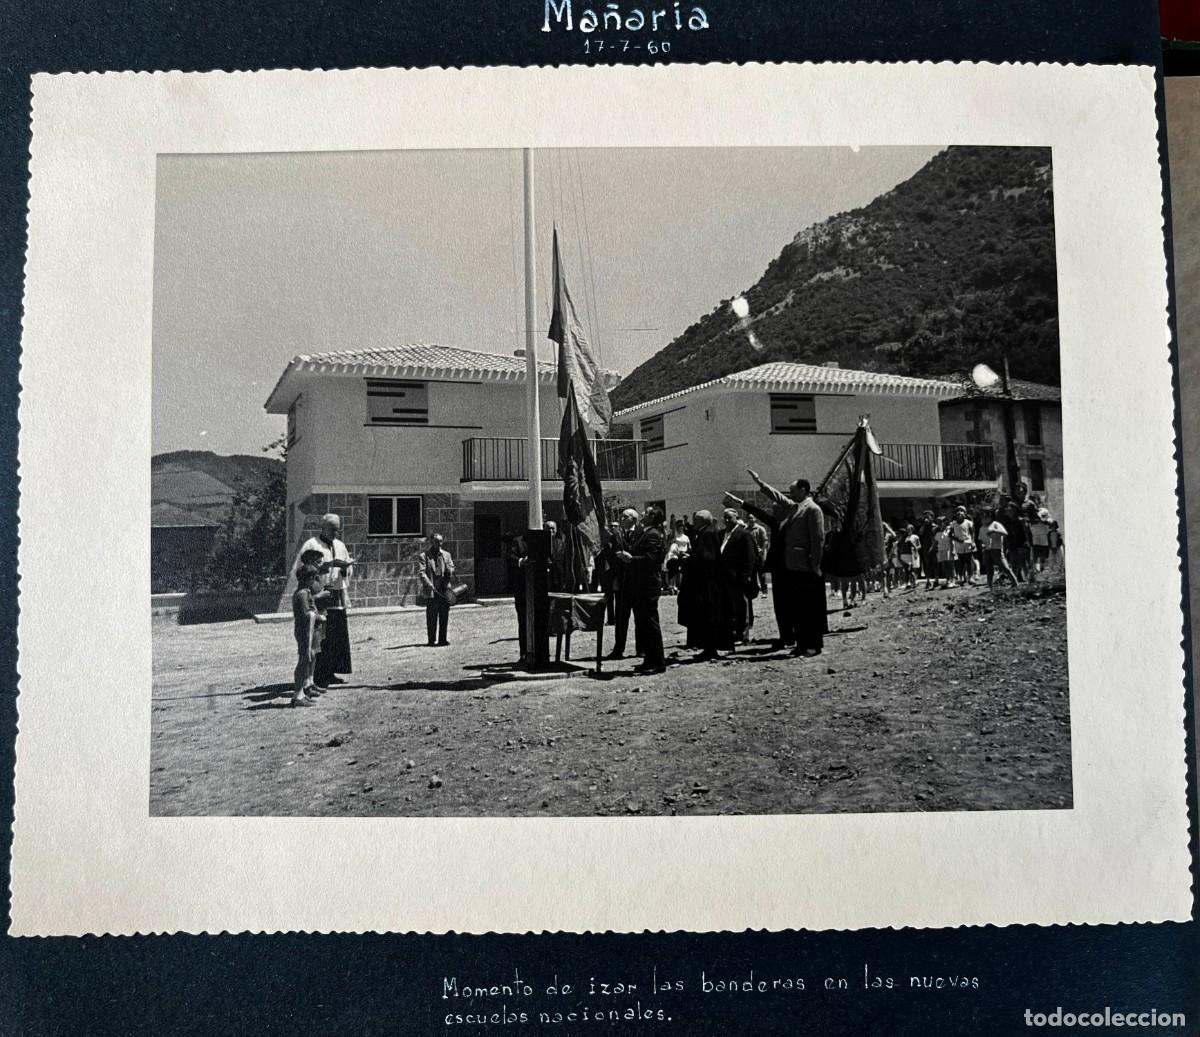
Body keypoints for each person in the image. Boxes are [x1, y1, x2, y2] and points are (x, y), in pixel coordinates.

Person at [746, 470, 826, 657]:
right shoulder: (796, 507)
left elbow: (818, 540)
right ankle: (802, 643)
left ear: (804, 490)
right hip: (793, 566)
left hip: (806, 566)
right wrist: (760, 483)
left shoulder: (812, 509)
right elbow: (779, 497)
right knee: (798, 608)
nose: (790, 495)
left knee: (808, 609)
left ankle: (813, 645)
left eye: (793, 491)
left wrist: (815, 565)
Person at [294, 514, 355, 688]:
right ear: (323, 528)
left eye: (337, 529)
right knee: (321, 637)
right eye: (332, 529)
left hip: (336, 593)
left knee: (336, 635)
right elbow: (304, 570)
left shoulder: (340, 545)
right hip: (319, 593)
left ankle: (332, 671)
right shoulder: (311, 545)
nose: (335, 533)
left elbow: (347, 570)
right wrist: (324, 568)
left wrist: (345, 569)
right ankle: (318, 676)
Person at [728, 490, 790, 648]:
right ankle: (786, 636)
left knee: (791, 604)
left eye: (776, 510)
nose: (772, 512)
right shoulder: (776, 523)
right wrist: (741, 502)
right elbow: (759, 513)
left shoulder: (792, 523)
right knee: (780, 605)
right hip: (778, 568)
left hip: (790, 566)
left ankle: (792, 636)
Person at [617, 505, 668, 674]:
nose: (642, 514)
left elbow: (651, 559)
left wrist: (632, 559)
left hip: (648, 586)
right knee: (644, 623)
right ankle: (649, 659)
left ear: (652, 517)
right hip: (639, 586)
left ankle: (658, 661)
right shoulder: (645, 532)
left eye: (646, 513)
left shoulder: (652, 534)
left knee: (650, 623)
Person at [677, 510, 731, 660]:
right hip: (706, 580)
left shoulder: (707, 533)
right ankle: (707, 647)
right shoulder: (705, 532)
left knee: (708, 615)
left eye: (696, 519)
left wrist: (691, 558)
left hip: (707, 582)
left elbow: (707, 556)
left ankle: (710, 648)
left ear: (702, 521)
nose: (694, 521)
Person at [606, 509, 641, 660]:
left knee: (640, 617)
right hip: (621, 582)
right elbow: (611, 557)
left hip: (638, 581)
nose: (622, 518)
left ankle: (642, 649)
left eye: (625, 516)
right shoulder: (616, 535)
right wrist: (614, 578)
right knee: (621, 618)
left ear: (633, 519)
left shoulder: (641, 533)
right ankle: (618, 648)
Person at [719, 508, 758, 644]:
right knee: (730, 607)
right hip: (725, 577)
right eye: (725, 518)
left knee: (741, 605)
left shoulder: (743, 534)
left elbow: (750, 556)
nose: (727, 520)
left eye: (730, 517)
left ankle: (743, 634)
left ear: (736, 518)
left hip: (739, 577)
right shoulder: (722, 534)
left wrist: (747, 574)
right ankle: (732, 632)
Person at [290, 565, 323, 707]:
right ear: (307, 578)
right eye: (313, 578)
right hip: (305, 632)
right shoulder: (302, 594)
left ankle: (302, 692)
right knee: (304, 660)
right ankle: (297, 696)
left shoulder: (305, 592)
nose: (314, 581)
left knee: (309, 658)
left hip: (310, 630)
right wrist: (317, 616)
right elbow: (306, 615)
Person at [419, 533, 456, 647]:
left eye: (441, 541)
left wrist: (450, 570)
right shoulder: (424, 556)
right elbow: (422, 572)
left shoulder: (446, 555)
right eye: (437, 541)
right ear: (431, 542)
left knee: (444, 615)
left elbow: (452, 567)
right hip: (432, 590)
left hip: (444, 589)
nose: (439, 544)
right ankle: (431, 640)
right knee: (431, 616)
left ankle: (442, 639)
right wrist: (429, 584)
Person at [503, 532, 529, 664]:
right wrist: (521, 561)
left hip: (538, 589)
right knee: (523, 621)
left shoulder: (543, 540)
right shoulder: (518, 541)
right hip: (521, 588)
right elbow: (510, 556)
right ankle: (524, 653)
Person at [984, 509, 1020, 589]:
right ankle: (991, 587)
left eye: (987, 516)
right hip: (987, 549)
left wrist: (994, 531)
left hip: (996, 548)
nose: (985, 518)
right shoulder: (983, 527)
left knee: (1004, 567)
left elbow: (1005, 533)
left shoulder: (996, 524)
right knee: (989, 569)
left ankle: (1015, 582)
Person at [949, 505, 977, 586]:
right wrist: (956, 539)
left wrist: (972, 542)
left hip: (967, 542)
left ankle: (970, 577)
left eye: (962, 511)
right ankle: (962, 577)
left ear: (965, 513)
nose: (960, 512)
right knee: (961, 561)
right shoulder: (953, 524)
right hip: (959, 544)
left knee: (968, 560)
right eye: (958, 511)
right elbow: (950, 534)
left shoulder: (968, 522)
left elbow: (972, 533)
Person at [664, 520, 691, 595]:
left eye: (682, 528)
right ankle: (672, 586)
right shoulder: (675, 537)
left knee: (682, 571)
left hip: (684, 555)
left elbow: (689, 547)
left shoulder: (686, 537)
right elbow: (672, 547)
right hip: (676, 555)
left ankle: (680, 585)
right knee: (674, 570)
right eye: (679, 528)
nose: (680, 529)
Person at [746, 513, 770, 595]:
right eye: (749, 518)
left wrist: (762, 551)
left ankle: (764, 590)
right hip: (750, 555)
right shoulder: (746, 530)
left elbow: (765, 541)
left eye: (752, 518)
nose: (750, 519)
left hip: (759, 555)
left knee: (762, 574)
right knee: (752, 574)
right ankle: (755, 590)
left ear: (755, 519)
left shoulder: (760, 529)